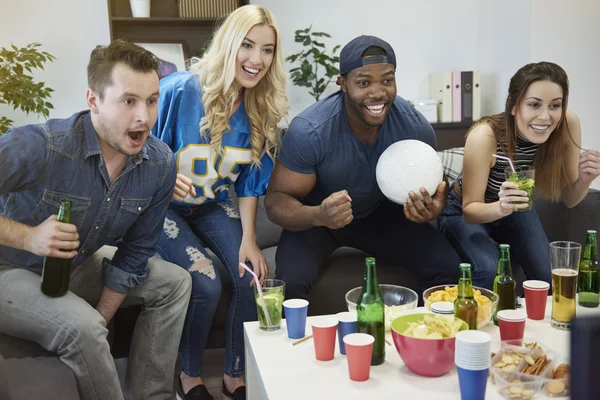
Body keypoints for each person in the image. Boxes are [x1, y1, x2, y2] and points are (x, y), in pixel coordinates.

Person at [0, 40, 192, 400]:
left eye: (152, 101)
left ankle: (152, 395)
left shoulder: (159, 163)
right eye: (129, 101)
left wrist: (104, 314)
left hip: (75, 265)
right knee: (83, 328)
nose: (144, 117)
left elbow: (137, 251)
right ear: (93, 101)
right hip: (8, 269)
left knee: (175, 282)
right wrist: (29, 238)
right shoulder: (43, 145)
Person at [152, 5, 288, 400]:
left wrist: (250, 238)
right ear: (229, 43)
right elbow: (139, 146)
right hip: (163, 208)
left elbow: (249, 183)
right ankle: (189, 376)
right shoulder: (179, 89)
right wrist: (163, 177)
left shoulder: (261, 106)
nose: (256, 60)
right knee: (206, 282)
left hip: (211, 203)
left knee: (252, 273)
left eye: (267, 50)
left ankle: (234, 374)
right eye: (247, 46)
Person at [264, 35, 461, 302]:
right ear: (342, 83)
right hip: (318, 218)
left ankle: (421, 338)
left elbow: (433, 192)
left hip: (383, 215)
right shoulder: (311, 131)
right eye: (364, 82)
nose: (378, 92)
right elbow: (275, 202)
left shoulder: (414, 127)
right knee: (291, 284)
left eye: (387, 80)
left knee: (448, 270)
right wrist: (318, 215)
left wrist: (430, 210)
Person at [437, 62, 600, 289]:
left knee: (547, 278)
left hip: (516, 207)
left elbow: (570, 199)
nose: (545, 117)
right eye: (534, 105)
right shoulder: (486, 135)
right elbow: (470, 210)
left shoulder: (567, 124)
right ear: (514, 106)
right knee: (490, 271)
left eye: (555, 105)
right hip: (463, 211)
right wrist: (500, 208)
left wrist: (584, 179)